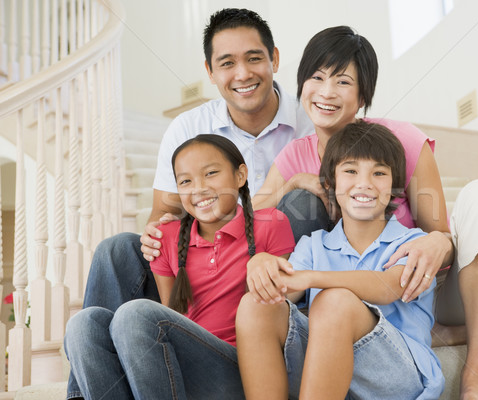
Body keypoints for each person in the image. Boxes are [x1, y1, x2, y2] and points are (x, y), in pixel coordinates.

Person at [251, 26, 478, 400]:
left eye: (343, 81)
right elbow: (248, 213)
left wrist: (435, 244)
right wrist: (293, 182)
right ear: (301, 85)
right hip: (347, 309)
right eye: (316, 77)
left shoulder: (400, 141)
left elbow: (438, 232)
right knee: (299, 230)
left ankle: (477, 377)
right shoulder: (297, 154)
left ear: (363, 96)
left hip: (422, 286)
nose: (327, 92)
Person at [68, 8, 314, 398]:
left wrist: (287, 187)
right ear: (210, 71)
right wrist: (155, 234)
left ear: (275, 60)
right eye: (227, 63)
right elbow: (164, 214)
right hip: (200, 263)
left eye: (254, 58)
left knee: (303, 200)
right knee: (113, 258)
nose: (243, 74)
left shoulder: (311, 119)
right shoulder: (187, 127)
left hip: (272, 277)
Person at [64, 135, 296, 399]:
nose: (198, 188)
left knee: (135, 314)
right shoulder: (167, 237)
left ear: (240, 175)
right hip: (182, 365)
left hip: (239, 368)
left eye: (211, 173)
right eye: (186, 181)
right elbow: (172, 315)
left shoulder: (270, 223)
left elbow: (281, 304)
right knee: (83, 325)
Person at [237, 121, 444, 399]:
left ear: (394, 187)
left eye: (379, 173)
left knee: (334, 301)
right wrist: (260, 263)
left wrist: (313, 278)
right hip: (329, 370)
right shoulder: (314, 246)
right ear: (330, 184)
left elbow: (389, 286)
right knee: (256, 303)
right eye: (350, 171)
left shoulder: (414, 243)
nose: (364, 183)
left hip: (398, 373)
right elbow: (282, 290)